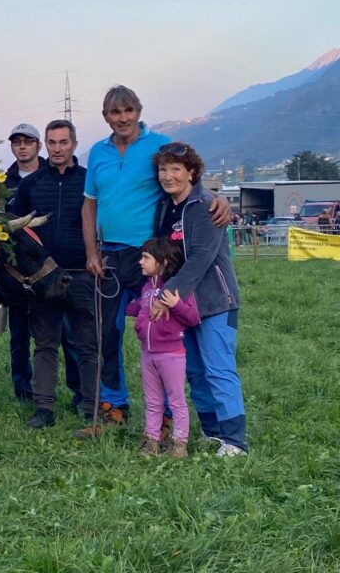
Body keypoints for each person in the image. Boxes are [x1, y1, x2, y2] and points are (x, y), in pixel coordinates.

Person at [82, 85, 230, 427]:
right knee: (108, 333)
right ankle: (114, 405)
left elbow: (185, 176)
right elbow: (89, 205)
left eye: (128, 110)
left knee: (160, 332)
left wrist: (215, 199)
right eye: (115, 113)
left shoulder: (158, 144)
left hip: (151, 257)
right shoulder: (97, 153)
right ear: (105, 116)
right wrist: (91, 252)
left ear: (138, 111)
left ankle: (164, 413)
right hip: (110, 257)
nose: (123, 118)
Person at [152, 142, 248, 456]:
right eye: (163, 170)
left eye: (176, 169)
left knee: (219, 368)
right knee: (195, 370)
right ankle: (212, 432)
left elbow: (200, 259)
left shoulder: (207, 206)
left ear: (192, 172)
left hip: (214, 301)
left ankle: (235, 441)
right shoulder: (165, 207)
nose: (168, 176)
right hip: (182, 306)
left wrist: (165, 296)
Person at [9, 120, 93, 431]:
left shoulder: (88, 181)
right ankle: (44, 406)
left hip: (81, 273)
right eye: (52, 142)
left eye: (63, 142)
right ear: (45, 145)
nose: (57, 148)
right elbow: (18, 230)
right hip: (44, 277)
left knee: (85, 342)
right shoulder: (31, 185)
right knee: (44, 344)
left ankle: (89, 402)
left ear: (73, 144)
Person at [129, 236, 200, 458]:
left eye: (146, 257)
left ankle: (179, 443)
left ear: (164, 261)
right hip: (147, 353)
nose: (140, 262)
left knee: (176, 400)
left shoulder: (177, 288)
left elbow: (193, 317)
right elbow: (138, 309)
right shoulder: (145, 288)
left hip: (171, 354)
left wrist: (175, 304)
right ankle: (151, 440)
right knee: (151, 400)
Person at [3, 123, 45, 402]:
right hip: (20, 269)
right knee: (19, 334)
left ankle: (67, 387)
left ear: (37, 146)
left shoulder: (50, 177)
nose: (22, 146)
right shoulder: (4, 183)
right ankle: (22, 389)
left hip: (49, 262)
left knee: (61, 332)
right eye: (17, 142)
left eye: (27, 141)